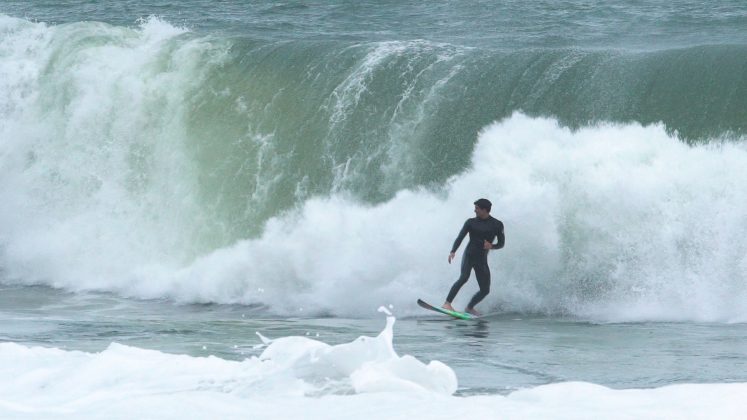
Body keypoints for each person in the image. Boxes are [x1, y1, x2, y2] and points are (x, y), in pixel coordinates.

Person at [443, 198, 505, 316]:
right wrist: (453, 251)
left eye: (477, 208)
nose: (474, 210)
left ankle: (469, 307)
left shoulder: (497, 224)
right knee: (464, 277)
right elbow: (460, 237)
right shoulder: (470, 222)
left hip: (481, 259)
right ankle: (447, 303)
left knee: (485, 290)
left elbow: (501, 244)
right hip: (469, 255)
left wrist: (491, 246)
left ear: (484, 210)